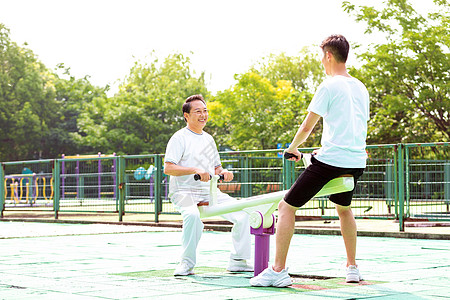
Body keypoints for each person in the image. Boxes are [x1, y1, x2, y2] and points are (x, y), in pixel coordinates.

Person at [250, 34, 369, 287]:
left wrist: (292, 148)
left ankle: (278, 270)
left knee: (286, 208)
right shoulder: (361, 87)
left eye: (321, 57)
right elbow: (354, 127)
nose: (321, 62)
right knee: (344, 209)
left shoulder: (328, 86)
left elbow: (307, 127)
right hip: (356, 161)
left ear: (328, 55)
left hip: (332, 161)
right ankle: (352, 268)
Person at [164, 94, 253, 276]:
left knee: (243, 215)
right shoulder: (179, 138)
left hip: (210, 191)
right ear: (186, 116)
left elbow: (216, 167)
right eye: (198, 111)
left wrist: (224, 173)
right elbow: (168, 168)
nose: (203, 115)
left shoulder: (208, 139)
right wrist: (194, 170)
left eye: (205, 111)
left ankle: (238, 261)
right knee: (192, 216)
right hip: (183, 191)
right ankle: (186, 264)